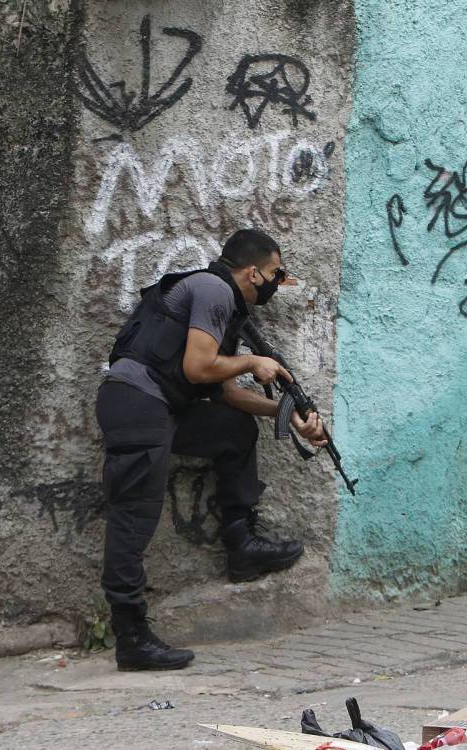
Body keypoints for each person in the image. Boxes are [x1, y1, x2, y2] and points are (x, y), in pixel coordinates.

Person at [96, 228, 327, 671]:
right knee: (133, 518)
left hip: (162, 407)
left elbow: (228, 394)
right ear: (253, 272)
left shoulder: (224, 307)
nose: (279, 283)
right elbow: (198, 367)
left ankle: (242, 544)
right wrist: (253, 361)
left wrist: (288, 414)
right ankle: (131, 637)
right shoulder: (212, 289)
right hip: (137, 403)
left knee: (232, 429)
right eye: (277, 274)